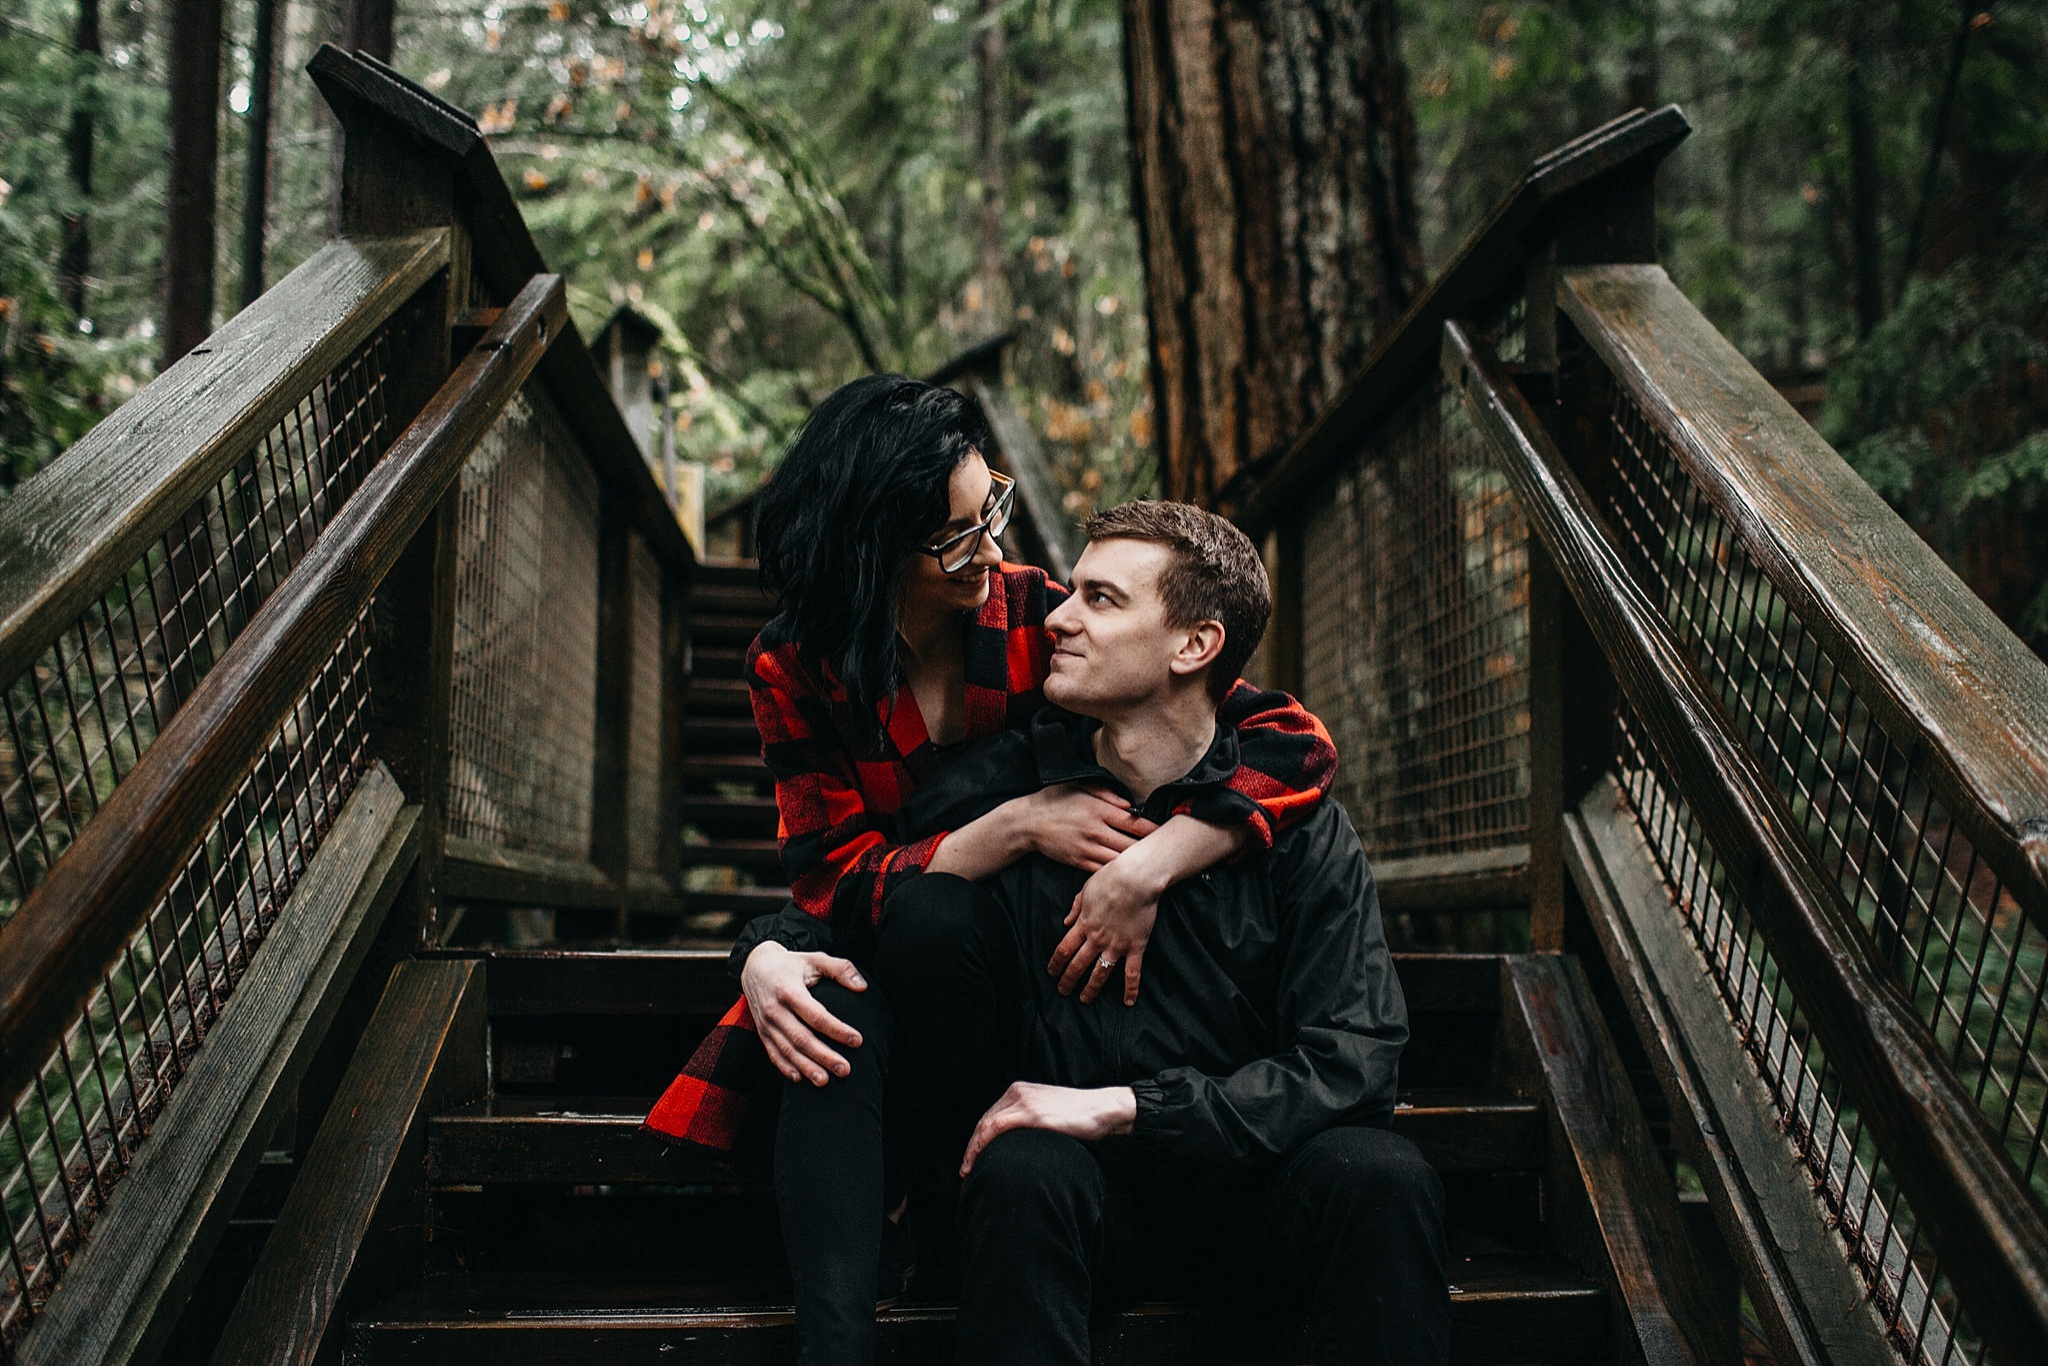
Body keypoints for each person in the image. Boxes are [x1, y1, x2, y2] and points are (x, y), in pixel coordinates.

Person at [641, 376, 1339, 1364]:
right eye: (958, 536)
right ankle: (834, 1337)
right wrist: (1007, 826)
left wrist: (1147, 868)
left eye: (993, 512)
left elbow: (1290, 740)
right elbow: (831, 880)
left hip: (1020, 974)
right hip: (889, 947)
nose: (994, 551)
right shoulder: (793, 664)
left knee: (905, 938)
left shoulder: (1032, 619)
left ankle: (939, 1203)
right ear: (870, 545)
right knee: (827, 1000)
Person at [883, 501, 1447, 1366]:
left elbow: (1355, 1060)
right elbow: (856, 890)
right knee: (1023, 1170)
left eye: (1100, 600)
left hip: (1256, 1193)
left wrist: (1131, 1109)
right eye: (1069, 592)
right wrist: (764, 953)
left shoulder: (1297, 828)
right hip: (1083, 1208)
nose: (1060, 619)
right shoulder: (1013, 787)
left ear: (1194, 646)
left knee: (1382, 1173)